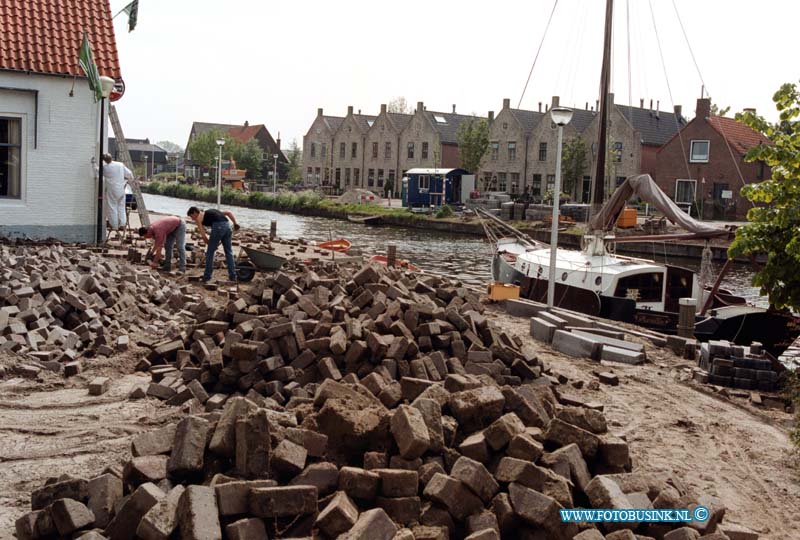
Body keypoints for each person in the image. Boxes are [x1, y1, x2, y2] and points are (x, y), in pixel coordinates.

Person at [187, 206, 240, 282]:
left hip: (218, 227)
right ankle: (233, 276)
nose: (192, 219)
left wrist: (210, 244)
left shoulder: (198, 218)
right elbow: (228, 213)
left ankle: (207, 276)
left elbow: (203, 235)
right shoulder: (212, 211)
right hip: (228, 226)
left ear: (195, 212)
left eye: (192, 216)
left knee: (210, 253)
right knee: (229, 252)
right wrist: (235, 223)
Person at [101, 153, 133, 230]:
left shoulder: (105, 168)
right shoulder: (120, 165)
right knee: (121, 207)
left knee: (112, 207)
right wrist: (129, 180)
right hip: (121, 190)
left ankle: (114, 225)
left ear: (104, 160)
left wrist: (93, 164)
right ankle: (122, 224)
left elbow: (97, 172)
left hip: (112, 191)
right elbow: (129, 174)